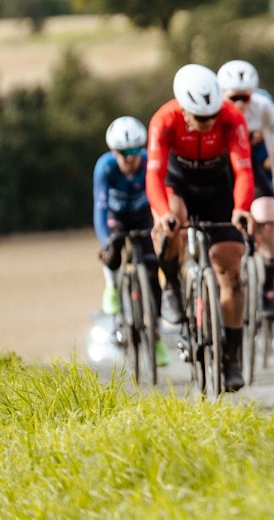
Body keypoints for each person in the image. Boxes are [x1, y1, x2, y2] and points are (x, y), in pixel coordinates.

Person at [147, 63, 255, 392]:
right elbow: (153, 175)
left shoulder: (231, 117)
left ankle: (231, 356)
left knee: (231, 268)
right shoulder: (164, 120)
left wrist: (240, 208)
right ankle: (172, 286)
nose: (208, 122)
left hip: (218, 188)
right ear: (182, 107)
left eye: (212, 116)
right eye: (200, 117)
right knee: (170, 226)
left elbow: (244, 170)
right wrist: (163, 213)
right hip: (178, 185)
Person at [93, 116, 171, 368]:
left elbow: (160, 195)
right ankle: (112, 287)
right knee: (113, 247)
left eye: (135, 151)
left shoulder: (149, 164)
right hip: (117, 218)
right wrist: (106, 242)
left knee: (152, 269)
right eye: (124, 153)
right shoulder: (105, 168)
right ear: (114, 152)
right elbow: (100, 208)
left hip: (142, 216)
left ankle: (156, 334)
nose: (130, 158)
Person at [217, 60, 274, 318]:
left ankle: (268, 286)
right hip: (218, 171)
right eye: (233, 97)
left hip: (249, 169)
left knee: (269, 220)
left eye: (245, 97)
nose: (239, 103)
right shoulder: (213, 109)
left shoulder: (263, 109)